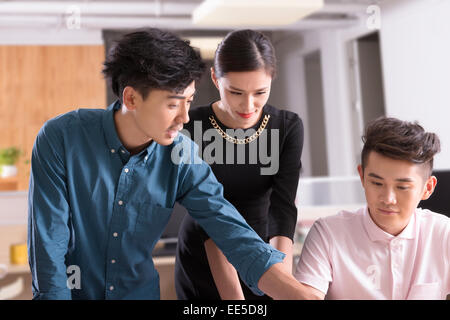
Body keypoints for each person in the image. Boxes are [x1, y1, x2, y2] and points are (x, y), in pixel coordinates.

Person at [27, 28, 318, 300]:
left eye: (189, 101)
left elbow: (234, 235)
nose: (184, 118)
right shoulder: (62, 138)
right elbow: (49, 245)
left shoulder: (184, 156)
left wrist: (299, 295)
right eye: (172, 104)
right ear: (131, 97)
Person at [175, 29, 304, 300]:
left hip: (263, 247)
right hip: (205, 249)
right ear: (215, 78)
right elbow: (207, 215)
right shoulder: (191, 128)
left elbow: (282, 209)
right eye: (235, 92)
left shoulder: (286, 127)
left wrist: (280, 280)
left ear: (271, 80)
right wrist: (235, 299)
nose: (248, 105)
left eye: (260, 92)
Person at [294, 117, 450, 299]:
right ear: (362, 176)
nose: (388, 199)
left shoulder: (443, 233)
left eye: (402, 187)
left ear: (427, 188)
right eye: (376, 183)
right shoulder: (328, 234)